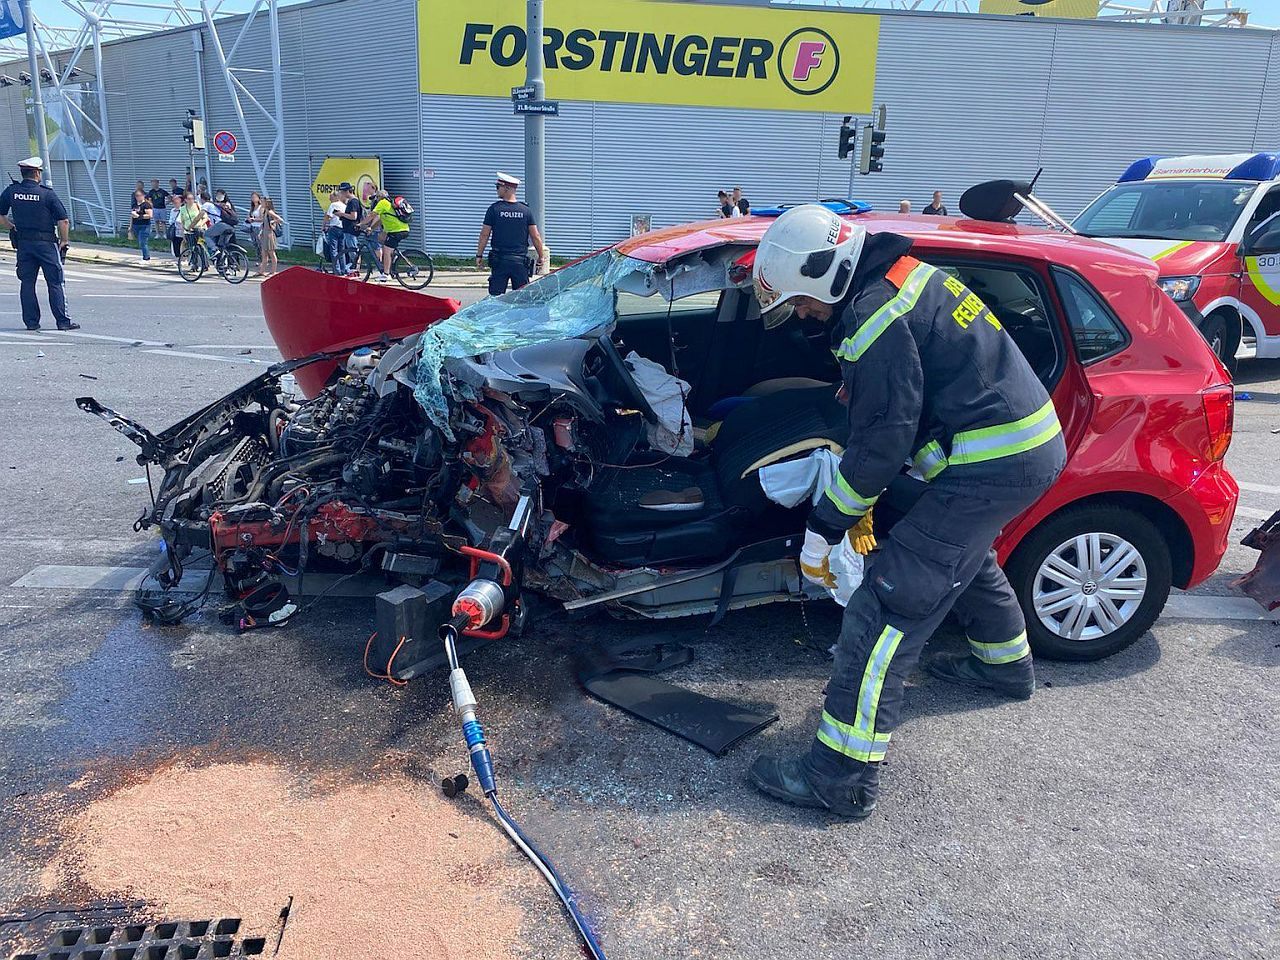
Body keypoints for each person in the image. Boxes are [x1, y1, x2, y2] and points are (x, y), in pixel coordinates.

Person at [745, 204, 1066, 819]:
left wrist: (825, 527)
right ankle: (1006, 669)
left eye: (803, 303)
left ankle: (837, 778)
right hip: (1019, 449)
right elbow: (916, 403)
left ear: (825, 275)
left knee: (888, 603)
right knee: (960, 557)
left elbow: (883, 440)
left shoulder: (871, 314)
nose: (806, 316)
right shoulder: (900, 275)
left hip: (993, 462)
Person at [0, 157, 78, 330]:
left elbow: (1, 215)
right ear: (36, 173)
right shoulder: (46, 193)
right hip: (46, 244)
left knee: (27, 283)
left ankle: (31, 323)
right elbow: (63, 220)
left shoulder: (12, 191)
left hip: (24, 244)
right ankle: (63, 322)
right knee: (55, 282)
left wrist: (12, 227)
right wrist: (64, 240)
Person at [475, 171, 546, 295]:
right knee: (521, 300)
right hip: (520, 263)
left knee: (495, 299)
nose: (497, 190)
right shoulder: (525, 211)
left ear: (507, 188)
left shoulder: (494, 209)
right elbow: (535, 236)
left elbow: (484, 235)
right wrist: (541, 256)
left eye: (498, 187)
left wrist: (479, 255)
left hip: (500, 261)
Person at [362, 189, 411, 281]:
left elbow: (371, 215)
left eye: (376, 198)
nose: (375, 200)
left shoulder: (383, 203)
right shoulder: (389, 204)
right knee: (381, 238)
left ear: (379, 197)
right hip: (402, 229)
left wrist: (360, 224)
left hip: (396, 231)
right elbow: (380, 220)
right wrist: (371, 228)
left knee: (386, 250)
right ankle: (393, 258)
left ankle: (386, 274)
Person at [335, 182, 364, 276]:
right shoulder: (352, 201)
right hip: (349, 228)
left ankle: (356, 269)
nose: (341, 194)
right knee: (353, 249)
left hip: (351, 229)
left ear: (347, 191)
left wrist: (341, 214)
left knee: (353, 250)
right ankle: (355, 268)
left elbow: (353, 216)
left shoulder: (353, 201)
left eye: (342, 192)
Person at [178, 191, 209, 262]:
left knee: (202, 246)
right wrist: (183, 232)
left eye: (192, 198)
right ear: (185, 200)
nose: (191, 200)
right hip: (189, 231)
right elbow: (182, 221)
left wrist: (201, 225)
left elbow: (205, 217)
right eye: (189, 199)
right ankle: (193, 264)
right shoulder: (182, 209)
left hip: (200, 230)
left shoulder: (198, 206)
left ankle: (205, 264)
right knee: (192, 247)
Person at [257, 196, 283, 277]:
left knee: (271, 253)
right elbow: (263, 223)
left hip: (269, 234)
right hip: (265, 233)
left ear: (267, 203)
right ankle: (262, 271)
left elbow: (280, 219)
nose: (261, 203)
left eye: (263, 202)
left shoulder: (269, 211)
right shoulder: (265, 211)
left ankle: (273, 271)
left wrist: (273, 221)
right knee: (264, 253)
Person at [129, 187, 154, 263]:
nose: (137, 197)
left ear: (143, 195)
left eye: (139, 195)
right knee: (140, 242)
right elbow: (131, 216)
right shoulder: (135, 205)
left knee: (143, 242)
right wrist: (130, 226)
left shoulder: (146, 205)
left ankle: (146, 258)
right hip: (136, 225)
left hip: (145, 226)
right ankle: (145, 256)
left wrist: (138, 216)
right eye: (136, 195)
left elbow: (150, 215)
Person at [323, 190, 344, 269]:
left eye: (331, 197)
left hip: (334, 228)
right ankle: (343, 268)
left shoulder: (333, 205)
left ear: (336, 197)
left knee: (334, 250)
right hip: (342, 228)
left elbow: (328, 217)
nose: (330, 199)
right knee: (341, 250)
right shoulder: (343, 205)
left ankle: (336, 269)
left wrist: (324, 226)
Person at [166, 194, 185, 262]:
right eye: (174, 202)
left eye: (177, 202)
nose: (175, 204)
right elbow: (170, 220)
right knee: (175, 244)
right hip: (175, 230)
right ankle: (178, 259)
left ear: (181, 202)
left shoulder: (183, 210)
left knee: (182, 244)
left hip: (182, 230)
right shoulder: (172, 210)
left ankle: (183, 259)